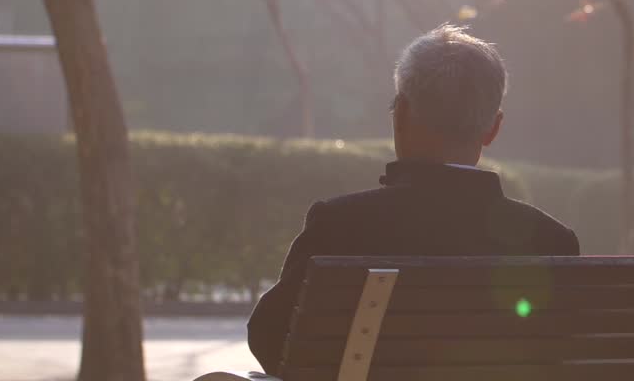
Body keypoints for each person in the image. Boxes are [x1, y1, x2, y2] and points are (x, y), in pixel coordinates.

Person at [247, 24, 580, 375]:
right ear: (493, 129)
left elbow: (270, 339)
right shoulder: (551, 241)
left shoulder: (340, 225)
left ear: (402, 113)